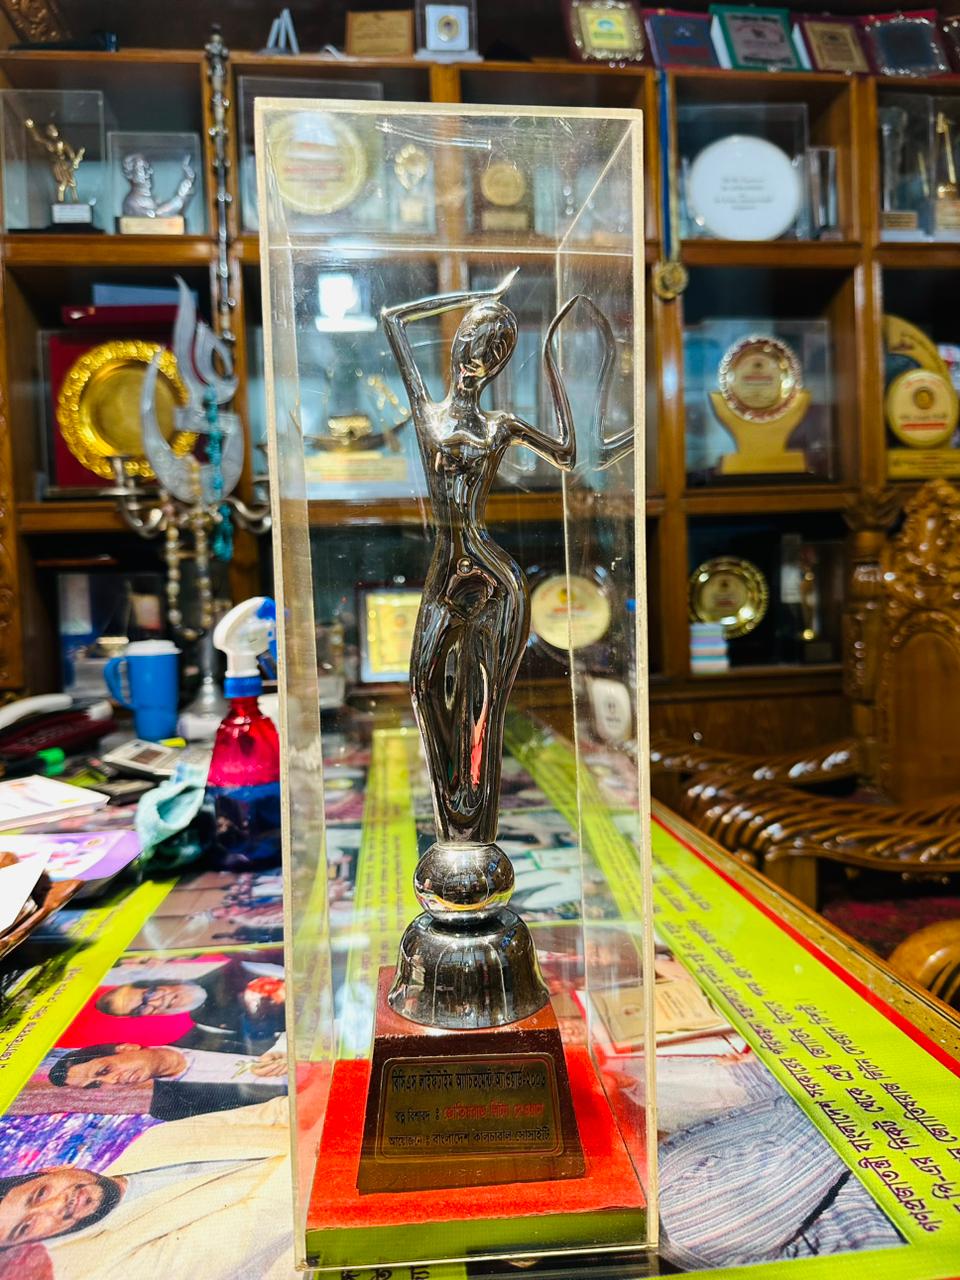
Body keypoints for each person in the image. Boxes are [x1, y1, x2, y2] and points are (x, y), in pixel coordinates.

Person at [0, 1098, 293, 1279]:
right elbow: (262, 1218)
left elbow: (276, 1111)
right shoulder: (105, 1269)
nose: (55, 1207)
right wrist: (316, 1134)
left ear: (52, 1169)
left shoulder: (153, 1140)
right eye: (26, 1227)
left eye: (40, 1194)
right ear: (28, 1243)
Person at [47, 1040, 286, 1121]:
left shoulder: (201, 1026)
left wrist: (283, 1049)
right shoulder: (169, 1109)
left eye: (104, 1070)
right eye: (97, 1084)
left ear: (127, 1048)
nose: (113, 1081)